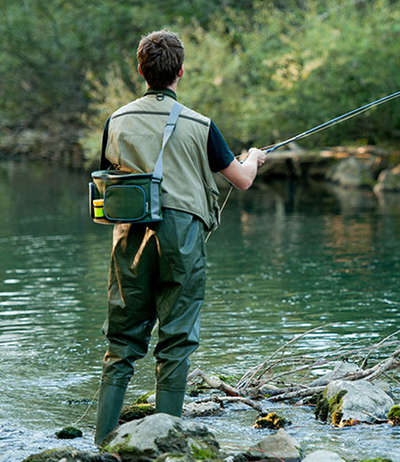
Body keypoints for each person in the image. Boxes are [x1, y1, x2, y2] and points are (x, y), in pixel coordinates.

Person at [94, 29, 266, 445]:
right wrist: (255, 158)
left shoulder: (116, 120)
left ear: (141, 70)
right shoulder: (200, 124)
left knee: (121, 343)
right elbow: (241, 181)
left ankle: (101, 444)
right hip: (183, 237)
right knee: (176, 340)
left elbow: (109, 176)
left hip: (129, 236)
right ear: (181, 72)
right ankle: (165, 444)